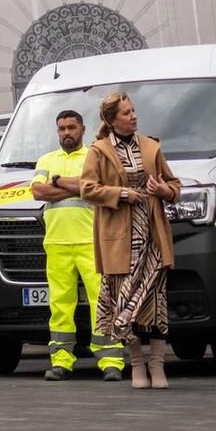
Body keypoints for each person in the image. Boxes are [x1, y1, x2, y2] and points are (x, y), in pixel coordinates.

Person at [81, 92, 180, 388]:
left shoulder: (151, 145)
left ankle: (159, 365)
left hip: (152, 235)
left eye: (134, 110)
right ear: (111, 120)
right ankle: (137, 364)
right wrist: (121, 193)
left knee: (155, 302)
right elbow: (87, 188)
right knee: (126, 304)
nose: (133, 116)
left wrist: (163, 189)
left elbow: (174, 186)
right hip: (119, 239)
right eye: (126, 113)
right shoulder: (98, 150)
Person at [30, 109, 123, 381]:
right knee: (60, 305)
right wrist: (78, 186)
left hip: (90, 241)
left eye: (71, 127)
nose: (67, 132)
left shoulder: (94, 156)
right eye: (62, 128)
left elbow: (98, 189)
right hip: (57, 243)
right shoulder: (47, 159)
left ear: (83, 129)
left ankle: (110, 361)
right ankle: (61, 361)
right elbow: (38, 192)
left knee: (102, 302)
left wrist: (59, 184)